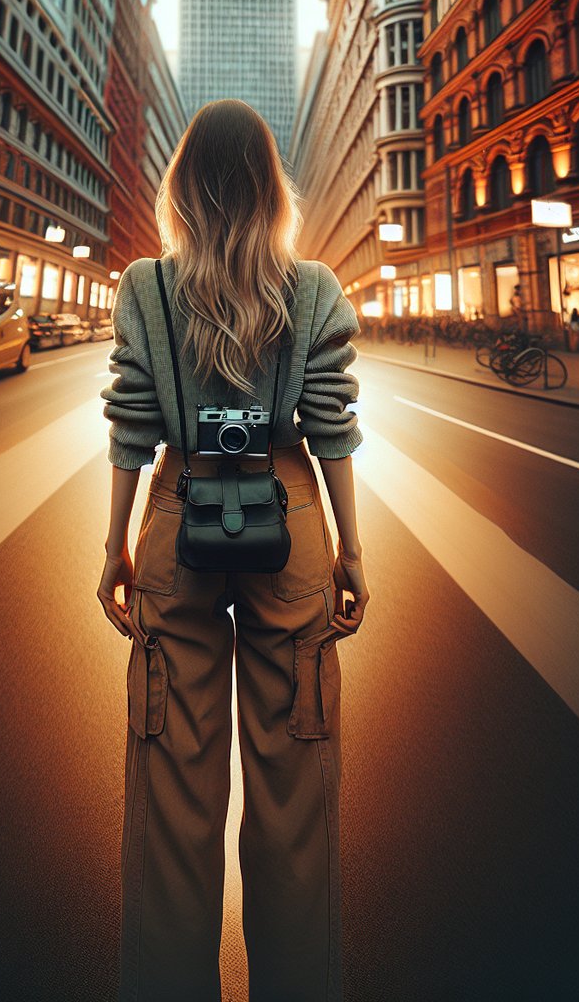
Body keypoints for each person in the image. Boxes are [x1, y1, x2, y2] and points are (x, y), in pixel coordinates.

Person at [98, 99, 369, 1002]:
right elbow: (330, 425)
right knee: (297, 792)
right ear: (269, 187)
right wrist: (352, 550)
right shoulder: (315, 288)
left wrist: (113, 545)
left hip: (178, 515)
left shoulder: (144, 288)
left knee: (171, 791)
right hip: (288, 517)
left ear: (180, 187)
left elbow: (134, 425)